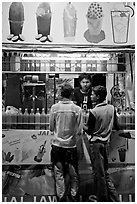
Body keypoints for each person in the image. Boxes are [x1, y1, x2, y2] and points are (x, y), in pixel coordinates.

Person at [83, 85, 120, 202]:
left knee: (99, 175)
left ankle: (102, 199)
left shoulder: (94, 112)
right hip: (106, 144)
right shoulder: (111, 108)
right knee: (104, 173)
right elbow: (117, 126)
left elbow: (89, 130)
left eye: (93, 94)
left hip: (95, 144)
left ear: (98, 97)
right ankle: (113, 198)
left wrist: (80, 123)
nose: (91, 96)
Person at [49, 82, 83, 202]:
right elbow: (80, 131)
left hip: (57, 146)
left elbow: (51, 128)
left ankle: (61, 198)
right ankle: (74, 196)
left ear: (60, 94)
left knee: (59, 174)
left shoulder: (54, 108)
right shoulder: (77, 109)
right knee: (73, 174)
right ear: (72, 94)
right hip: (71, 146)